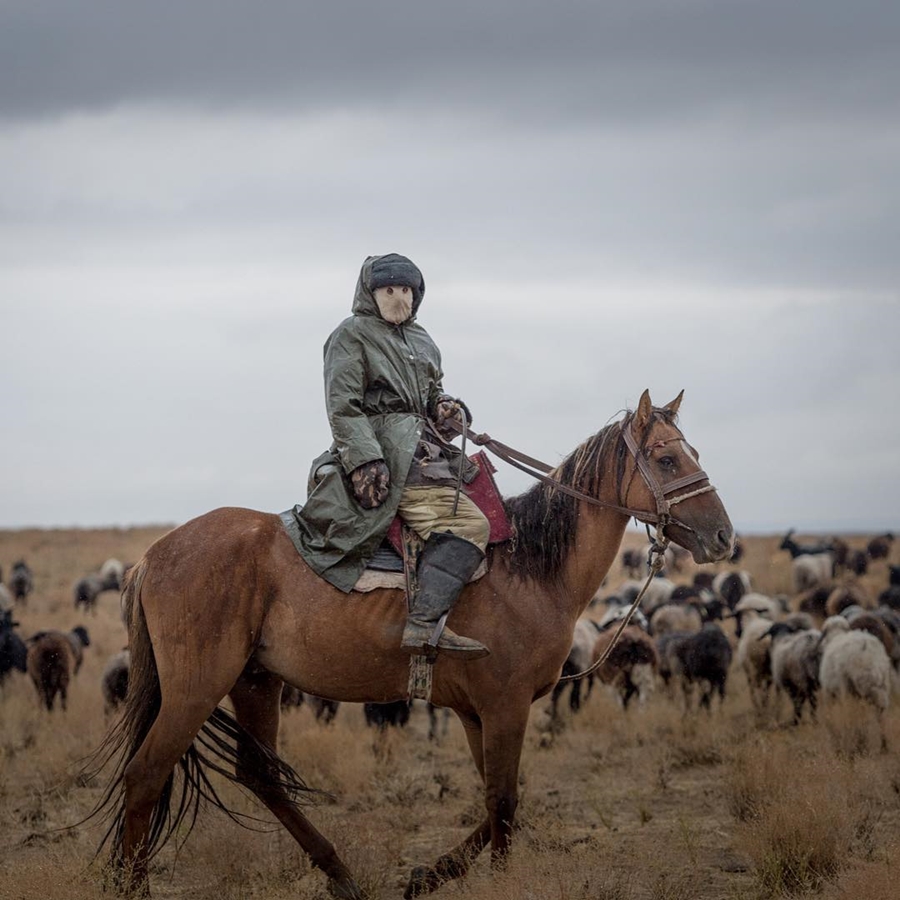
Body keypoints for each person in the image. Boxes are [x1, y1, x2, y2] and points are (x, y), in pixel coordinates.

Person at [288, 253, 490, 659]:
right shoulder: (351, 335)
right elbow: (343, 406)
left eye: (406, 290)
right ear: (371, 292)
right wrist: (365, 460)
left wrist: (445, 406)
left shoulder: (423, 340)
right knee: (473, 525)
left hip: (427, 448)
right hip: (387, 452)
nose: (399, 297)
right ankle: (423, 624)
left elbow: (432, 392)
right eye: (389, 289)